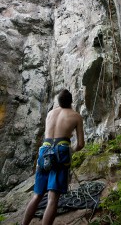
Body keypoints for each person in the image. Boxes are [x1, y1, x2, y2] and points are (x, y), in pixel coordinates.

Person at [22, 89, 84, 225]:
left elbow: (50, 134)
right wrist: (70, 150)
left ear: (58, 101)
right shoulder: (76, 116)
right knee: (52, 198)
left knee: (37, 195)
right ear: (71, 101)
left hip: (44, 151)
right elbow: (80, 144)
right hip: (60, 152)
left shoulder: (50, 114)